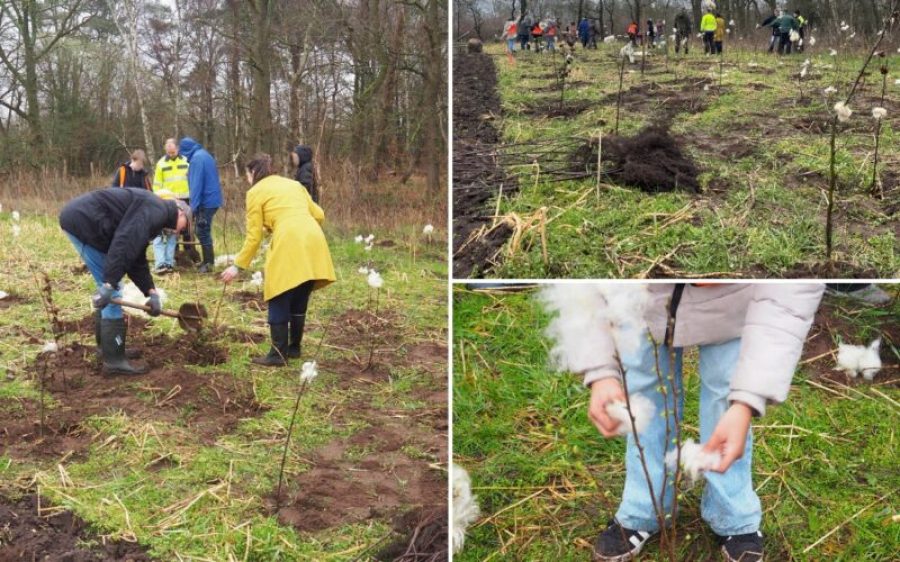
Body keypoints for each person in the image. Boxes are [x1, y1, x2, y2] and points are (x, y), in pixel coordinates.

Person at [542, 284, 825, 562]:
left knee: (726, 396)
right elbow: (581, 288)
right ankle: (644, 508)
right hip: (640, 301)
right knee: (642, 393)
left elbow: (786, 304)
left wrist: (745, 402)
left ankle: (733, 515)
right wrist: (602, 372)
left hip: (734, 306)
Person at [59, 188, 191, 375]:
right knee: (113, 292)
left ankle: (108, 348)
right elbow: (125, 241)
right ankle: (114, 361)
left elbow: (135, 254)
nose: (179, 233)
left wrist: (150, 291)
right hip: (85, 223)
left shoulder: (156, 213)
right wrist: (109, 283)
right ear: (180, 212)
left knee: (111, 289)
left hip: (86, 221)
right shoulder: (157, 211)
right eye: (183, 227)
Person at [221, 154, 336, 366]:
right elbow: (319, 214)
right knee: (301, 292)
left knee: (278, 294)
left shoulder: (255, 192)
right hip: (313, 238)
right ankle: (294, 348)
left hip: (288, 240)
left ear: (253, 173)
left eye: (247, 174)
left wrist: (238, 266)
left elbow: (254, 236)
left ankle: (277, 355)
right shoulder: (293, 185)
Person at [179, 137, 222, 273]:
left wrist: (194, 206)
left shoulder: (197, 159)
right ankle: (207, 261)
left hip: (206, 201)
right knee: (203, 230)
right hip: (212, 199)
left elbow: (196, 185)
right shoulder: (204, 154)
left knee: (202, 231)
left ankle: (209, 264)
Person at [152, 138, 192, 263]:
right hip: (169, 201)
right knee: (172, 228)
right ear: (165, 150)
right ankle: (175, 254)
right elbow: (157, 184)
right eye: (169, 152)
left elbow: (192, 179)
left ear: (178, 149)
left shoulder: (186, 161)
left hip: (186, 198)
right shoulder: (161, 163)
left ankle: (189, 251)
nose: (171, 154)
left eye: (173, 152)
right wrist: (157, 198)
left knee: (186, 228)